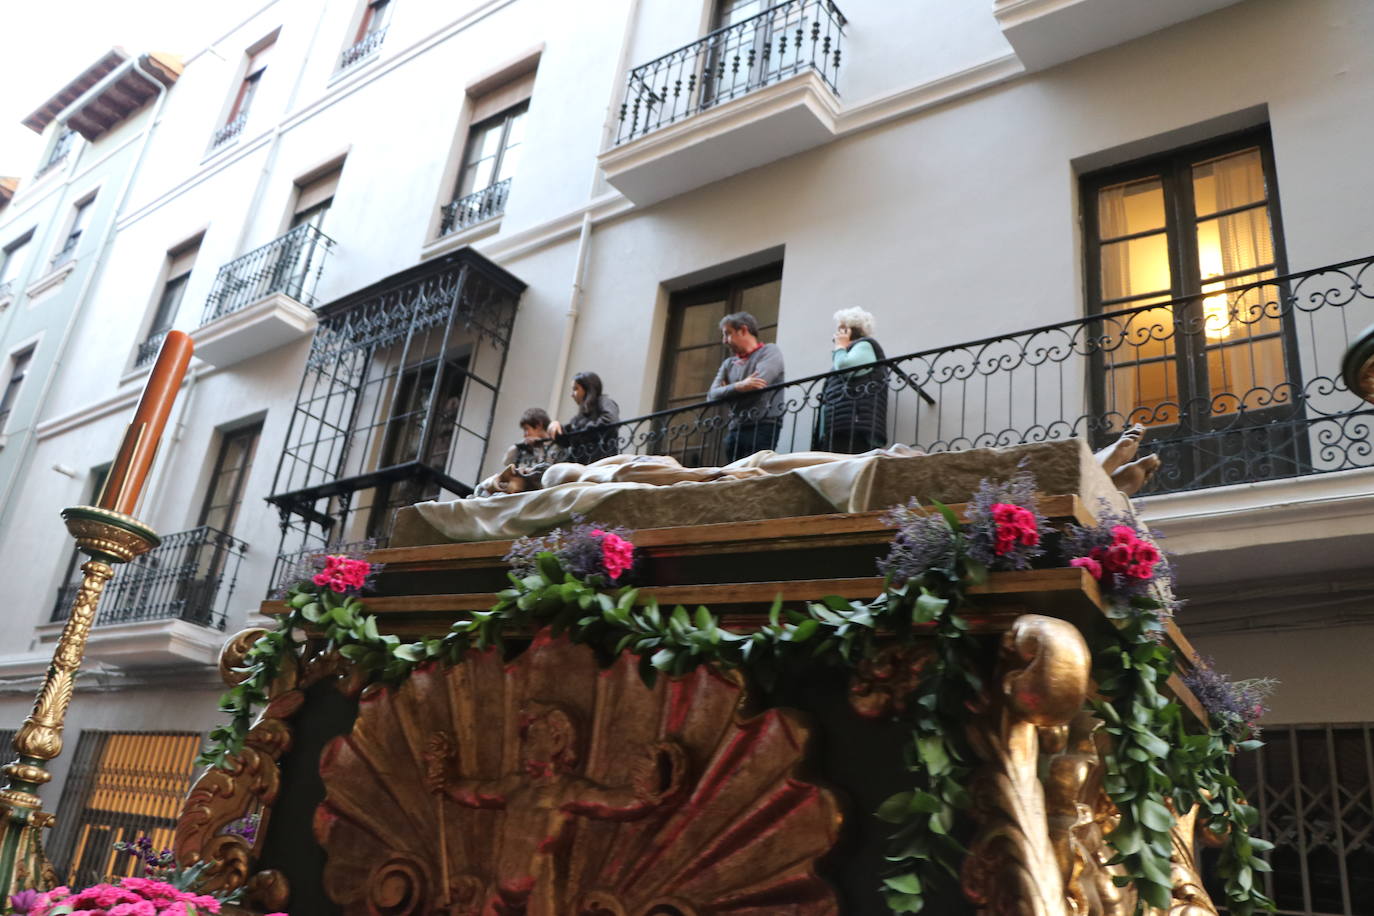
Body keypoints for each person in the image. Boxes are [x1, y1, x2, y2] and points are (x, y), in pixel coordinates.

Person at [707, 312, 786, 463]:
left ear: (743, 330)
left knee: (755, 472)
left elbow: (758, 386)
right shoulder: (728, 363)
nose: (724, 341)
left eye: (727, 334)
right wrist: (740, 386)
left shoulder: (770, 351)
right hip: (735, 429)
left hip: (763, 424)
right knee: (733, 477)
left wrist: (728, 392)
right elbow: (711, 396)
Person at [813, 307, 889, 454]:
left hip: (854, 426)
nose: (836, 334)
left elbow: (845, 367)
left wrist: (840, 346)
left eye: (840, 329)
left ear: (849, 330)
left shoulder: (865, 345)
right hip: (840, 425)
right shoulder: (847, 352)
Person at [548, 371, 621, 462]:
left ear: (587, 388)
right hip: (582, 463)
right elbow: (566, 438)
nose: (572, 394)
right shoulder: (579, 417)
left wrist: (583, 431)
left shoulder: (604, 401)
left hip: (600, 461)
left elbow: (610, 420)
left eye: (575, 389)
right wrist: (556, 425)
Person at [501, 407, 563, 473]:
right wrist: (518, 446)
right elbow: (506, 462)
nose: (525, 435)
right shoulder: (525, 447)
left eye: (526, 429)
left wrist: (539, 446)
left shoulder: (556, 447)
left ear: (539, 425)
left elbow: (545, 470)